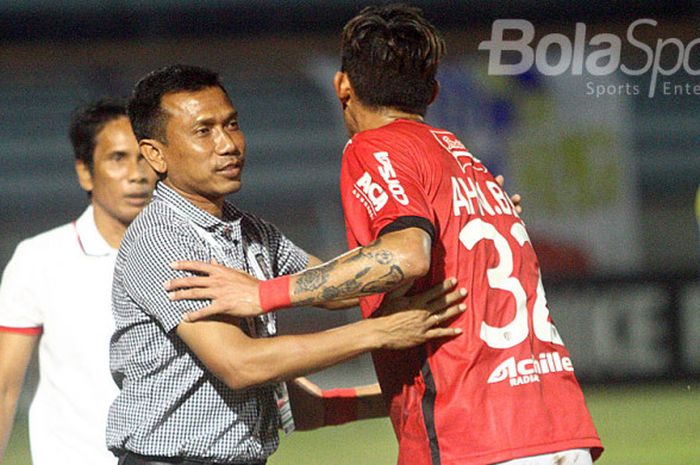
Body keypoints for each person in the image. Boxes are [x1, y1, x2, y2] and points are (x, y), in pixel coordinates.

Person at [171, 5, 604, 465]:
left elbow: (405, 254)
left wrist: (263, 294)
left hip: (476, 437)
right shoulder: (466, 163)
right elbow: (391, 272)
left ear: (343, 86)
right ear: (432, 92)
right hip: (555, 425)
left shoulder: (375, 148)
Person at [107, 64, 467, 465]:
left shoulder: (249, 229)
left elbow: (334, 289)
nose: (228, 144)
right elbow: (239, 364)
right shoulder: (162, 238)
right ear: (155, 154)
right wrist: (378, 332)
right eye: (203, 131)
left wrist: (455, 222)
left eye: (232, 124)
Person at [0, 98, 158, 465]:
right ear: (85, 172)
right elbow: (5, 386)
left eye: (145, 158)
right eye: (118, 158)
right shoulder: (39, 258)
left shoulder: (191, 255)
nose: (137, 174)